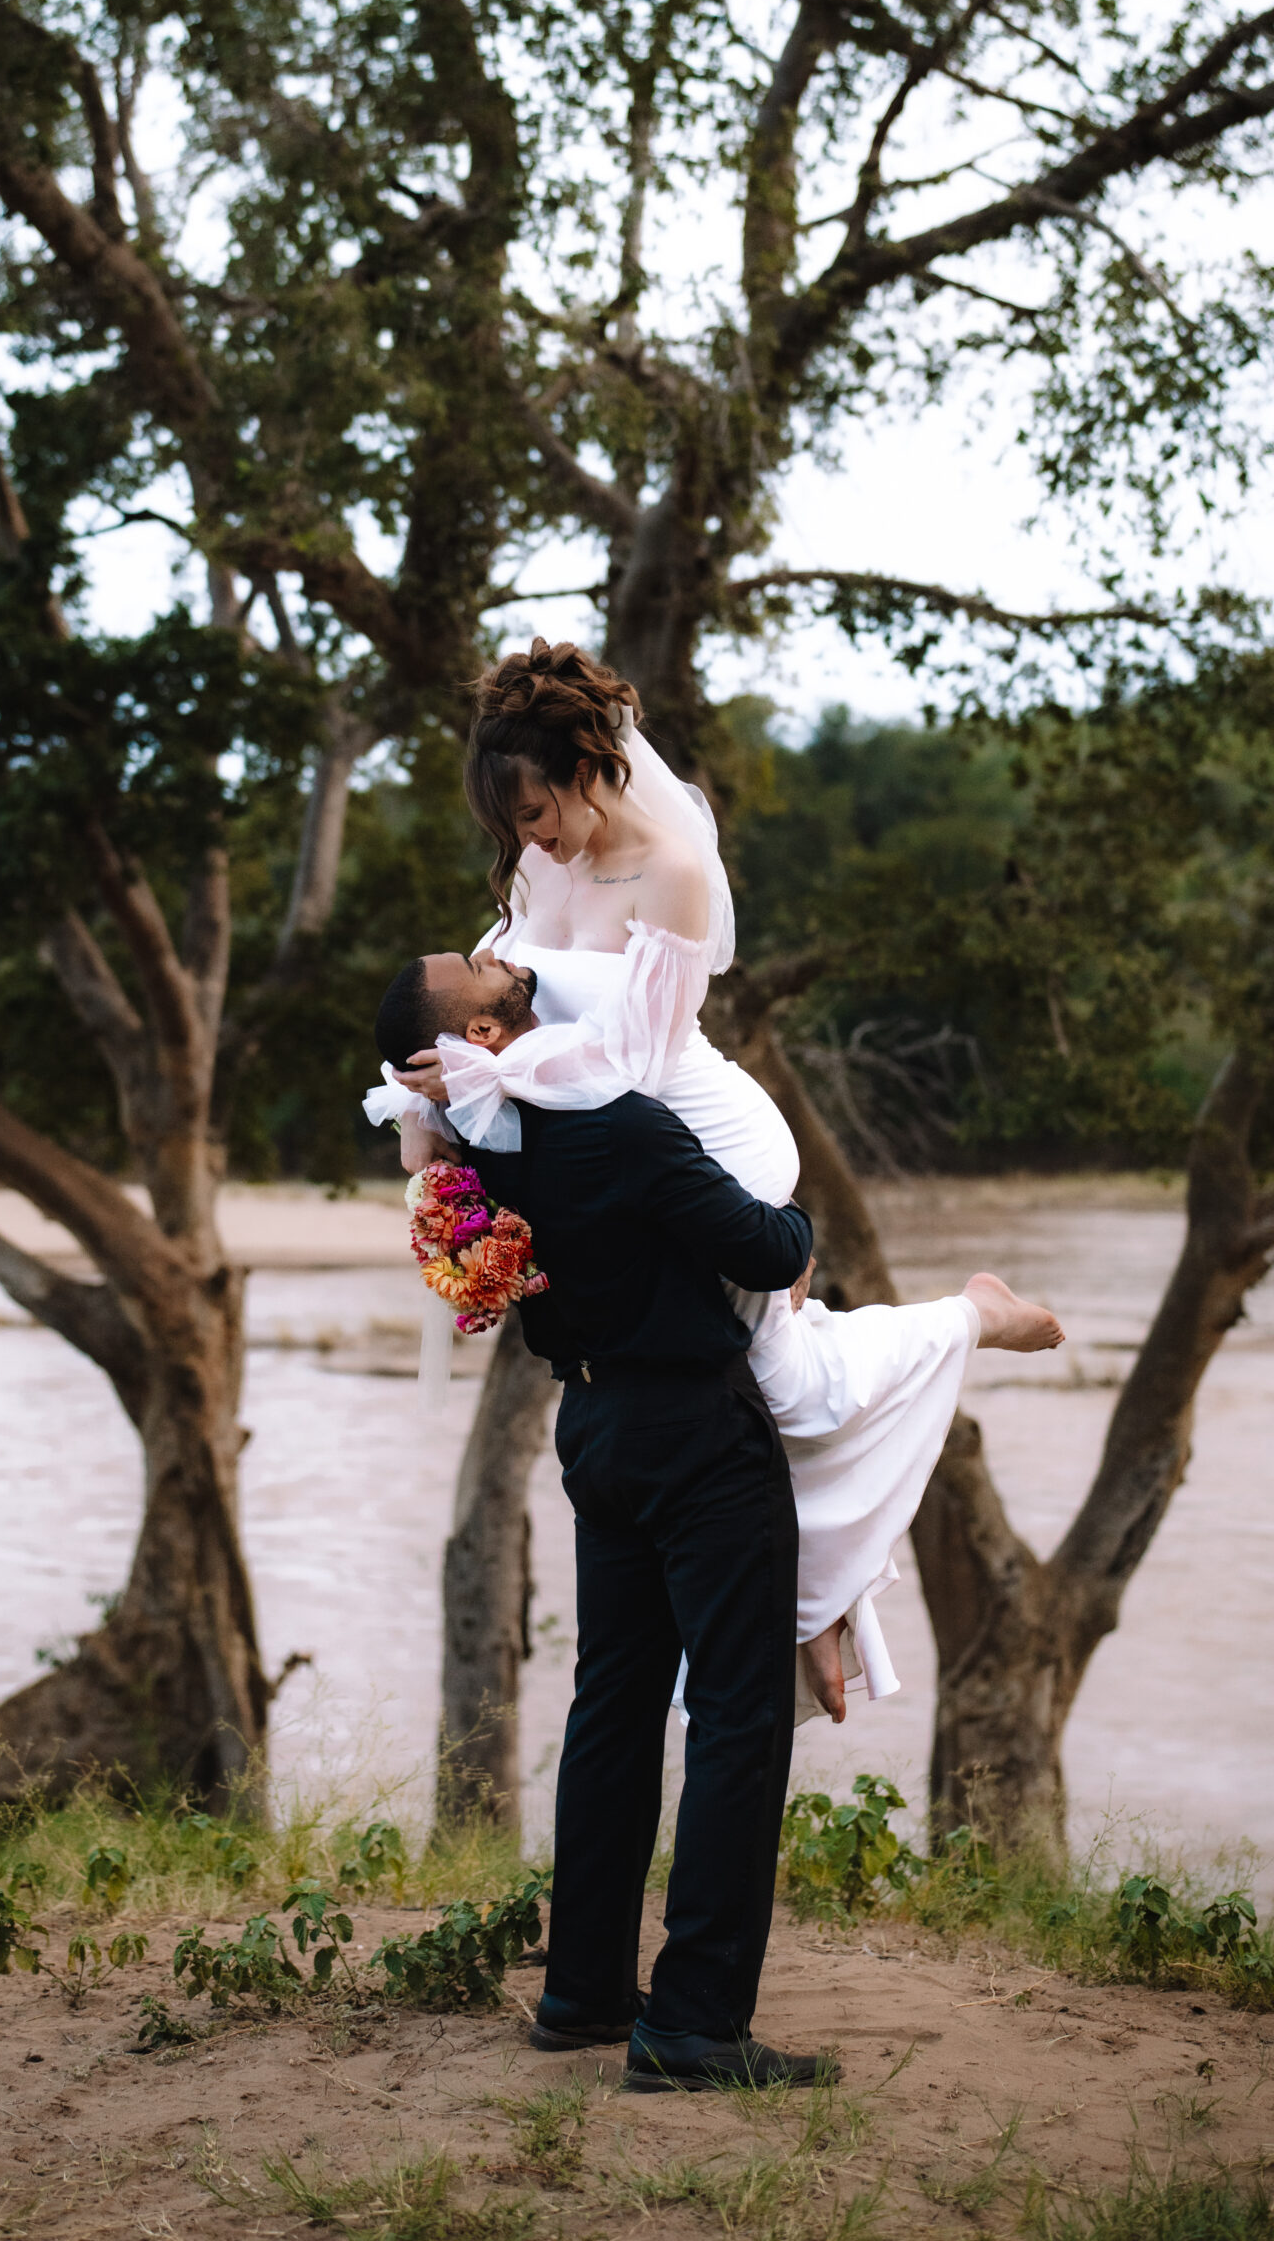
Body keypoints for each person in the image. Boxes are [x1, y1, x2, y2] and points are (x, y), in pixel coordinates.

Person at [367, 641, 1064, 1724]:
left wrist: (492, 1070)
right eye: (516, 828)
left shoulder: (673, 872)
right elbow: (473, 1017)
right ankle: (823, 1609)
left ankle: (967, 1322)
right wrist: (429, 1102)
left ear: (591, 766)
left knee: (777, 1389)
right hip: (617, 1152)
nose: (531, 843)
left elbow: (633, 1061)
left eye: (540, 813)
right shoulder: (539, 863)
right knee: (761, 1394)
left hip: (699, 1142)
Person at [416, 1071, 818, 2089]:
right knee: (738, 1716)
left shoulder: (478, 1153)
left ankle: (585, 1992)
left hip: (592, 1425)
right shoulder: (623, 1126)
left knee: (614, 1704)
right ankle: (694, 2025)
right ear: (481, 1036)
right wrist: (800, 1216)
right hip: (695, 1428)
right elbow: (772, 1249)